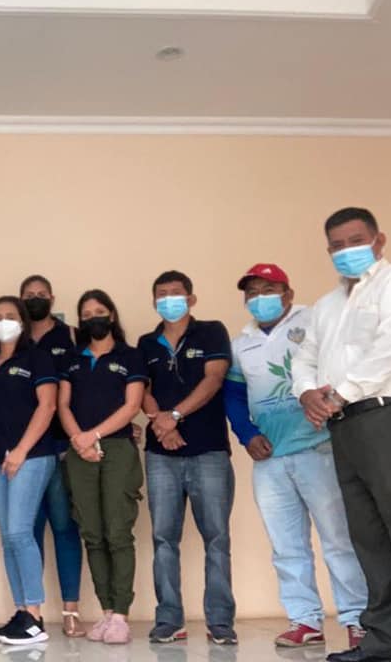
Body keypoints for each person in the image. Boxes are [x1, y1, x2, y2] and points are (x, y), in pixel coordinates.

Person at [291, 207, 391, 662]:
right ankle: (386, 642)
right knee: (369, 537)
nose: (347, 251)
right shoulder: (326, 305)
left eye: (356, 241)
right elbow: (304, 358)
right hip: (344, 427)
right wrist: (308, 393)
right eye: (338, 246)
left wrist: (340, 393)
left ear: (379, 240)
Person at [225, 263, 367, 649]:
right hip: (270, 459)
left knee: (339, 539)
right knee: (286, 545)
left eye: (268, 290)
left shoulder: (314, 320)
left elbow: (343, 368)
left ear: (287, 293)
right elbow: (234, 395)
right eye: (252, 292)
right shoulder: (241, 343)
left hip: (319, 448)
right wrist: (247, 435)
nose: (260, 298)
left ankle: (357, 620)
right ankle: (305, 620)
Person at [137, 270, 237, 645]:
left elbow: (213, 379)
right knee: (164, 537)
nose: (169, 300)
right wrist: (162, 424)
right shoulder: (146, 343)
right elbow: (141, 389)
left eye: (176, 293)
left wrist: (175, 415)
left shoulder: (211, 332)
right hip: (161, 454)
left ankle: (220, 621)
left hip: (208, 450)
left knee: (217, 537)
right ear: (154, 302)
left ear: (191, 299)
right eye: (161, 294)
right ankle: (169, 619)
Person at [59, 290, 147, 645]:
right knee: (92, 534)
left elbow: (132, 406)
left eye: (99, 311)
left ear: (111, 315)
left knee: (117, 531)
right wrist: (79, 440)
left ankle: (122, 614)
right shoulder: (72, 359)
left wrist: (94, 435)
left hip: (117, 449)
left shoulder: (130, 356)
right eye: (86, 314)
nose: (93, 318)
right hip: (79, 450)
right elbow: (63, 405)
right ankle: (107, 611)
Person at [0, 295, 58, 646]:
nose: (3, 322)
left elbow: (47, 406)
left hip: (32, 456)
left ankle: (35, 617)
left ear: (22, 322)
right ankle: (22, 611)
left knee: (21, 532)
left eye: (10, 316)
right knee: (8, 537)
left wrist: (21, 450)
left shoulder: (37, 358)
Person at [19, 275, 85, 637]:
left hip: (62, 447)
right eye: (29, 295)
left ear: (53, 299)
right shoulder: (12, 340)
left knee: (64, 528)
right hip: (26, 451)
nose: (35, 299)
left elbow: (89, 384)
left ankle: (71, 611)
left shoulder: (71, 336)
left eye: (41, 295)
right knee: (27, 532)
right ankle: (32, 612)